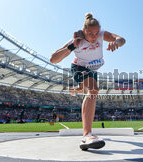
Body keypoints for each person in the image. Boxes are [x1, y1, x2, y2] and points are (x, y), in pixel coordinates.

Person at [50, 13, 126, 150]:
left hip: (92, 71)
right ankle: (87, 135)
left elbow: (121, 39)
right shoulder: (77, 41)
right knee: (93, 90)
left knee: (86, 90)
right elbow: (53, 59)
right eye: (90, 33)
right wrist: (72, 46)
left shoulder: (102, 35)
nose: (94, 37)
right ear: (84, 31)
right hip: (79, 67)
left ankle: (75, 89)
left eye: (96, 33)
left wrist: (117, 42)